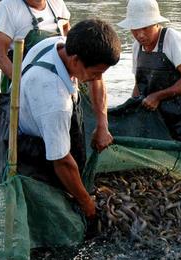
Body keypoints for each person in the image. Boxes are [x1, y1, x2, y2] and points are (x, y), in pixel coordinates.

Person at [0, 0, 112, 179]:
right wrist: (27, 87)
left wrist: (102, 123)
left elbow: (76, 48)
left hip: (60, 85)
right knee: (26, 156)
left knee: (65, 148)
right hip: (22, 92)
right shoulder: (9, 7)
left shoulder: (57, 5)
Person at [16, 19, 121, 220]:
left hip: (44, 117)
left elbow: (98, 80)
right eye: (95, 73)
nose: (97, 79)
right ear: (75, 61)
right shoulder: (55, 100)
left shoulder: (60, 44)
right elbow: (62, 161)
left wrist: (102, 123)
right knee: (51, 210)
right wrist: (86, 202)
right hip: (32, 147)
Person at [117, 0, 181, 143]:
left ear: (156, 23)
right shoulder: (136, 47)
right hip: (157, 119)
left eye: (145, 28)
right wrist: (132, 107)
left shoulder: (172, 39)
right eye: (135, 29)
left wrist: (157, 96)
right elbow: (138, 85)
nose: (140, 35)